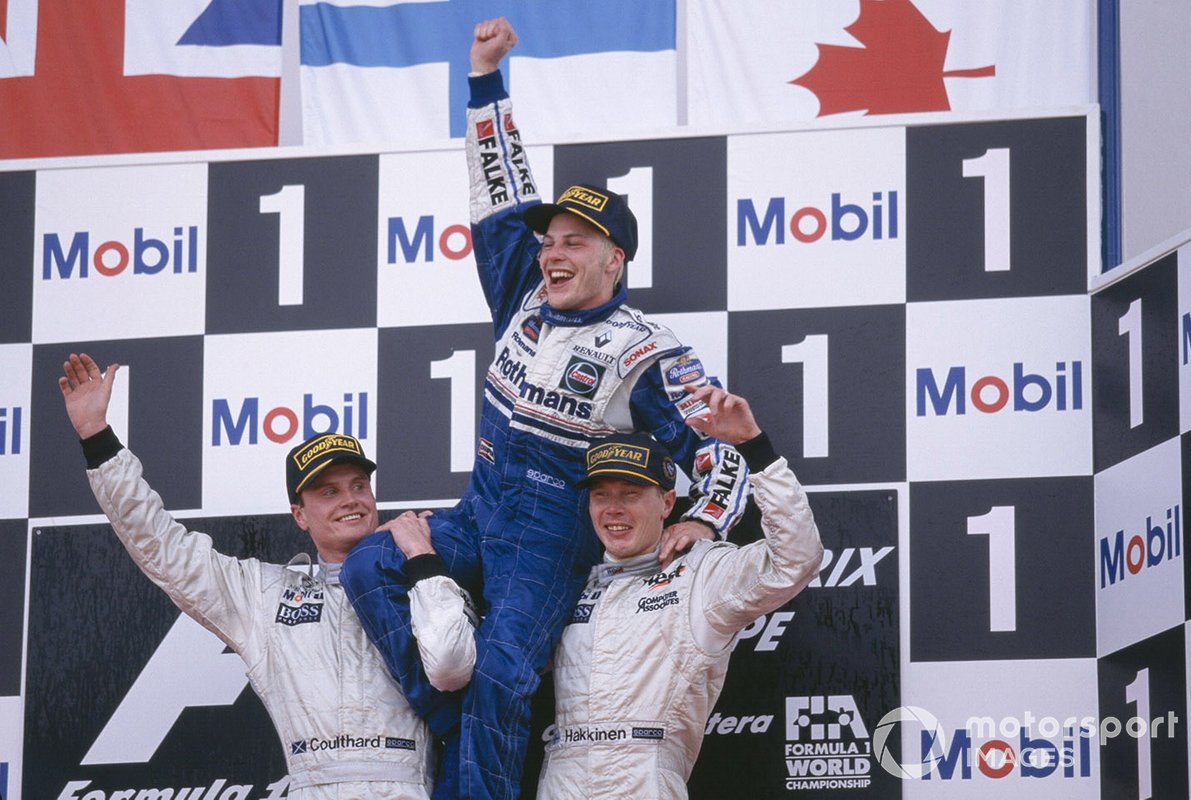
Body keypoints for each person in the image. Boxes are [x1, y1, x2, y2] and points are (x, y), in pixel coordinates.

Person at [341, 16, 752, 800]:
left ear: (615, 259)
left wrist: (707, 517)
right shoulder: (521, 294)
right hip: (475, 512)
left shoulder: (651, 352)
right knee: (368, 563)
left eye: (575, 242)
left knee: (499, 674)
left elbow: (722, 448)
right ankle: (453, 721)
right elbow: (498, 189)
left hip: (549, 540)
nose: (554, 253)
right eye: (551, 240)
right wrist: (485, 78)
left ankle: (476, 751)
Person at [57, 352, 476, 799]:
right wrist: (97, 440)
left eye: (359, 486)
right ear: (299, 514)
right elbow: (163, 548)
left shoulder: (423, 573)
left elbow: (461, 669)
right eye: (328, 492)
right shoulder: (264, 595)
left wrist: (421, 559)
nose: (351, 500)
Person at [538, 384, 824, 798]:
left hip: (643, 776)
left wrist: (756, 451)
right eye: (601, 495)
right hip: (560, 777)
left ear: (668, 502)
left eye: (630, 495)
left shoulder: (700, 572)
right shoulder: (568, 583)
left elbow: (797, 559)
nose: (613, 509)